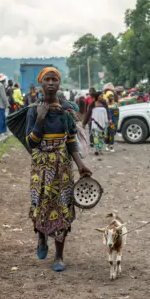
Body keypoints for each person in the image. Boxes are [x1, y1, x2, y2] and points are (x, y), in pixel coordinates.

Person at [25, 67, 92, 272]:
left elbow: (71, 140)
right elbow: (31, 143)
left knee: (63, 206)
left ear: (59, 83)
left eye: (55, 79)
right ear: (41, 83)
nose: (51, 83)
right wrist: (40, 119)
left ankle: (59, 256)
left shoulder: (66, 109)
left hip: (62, 165)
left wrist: (80, 165)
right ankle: (42, 237)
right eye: (47, 79)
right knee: (41, 205)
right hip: (41, 166)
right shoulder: (34, 110)